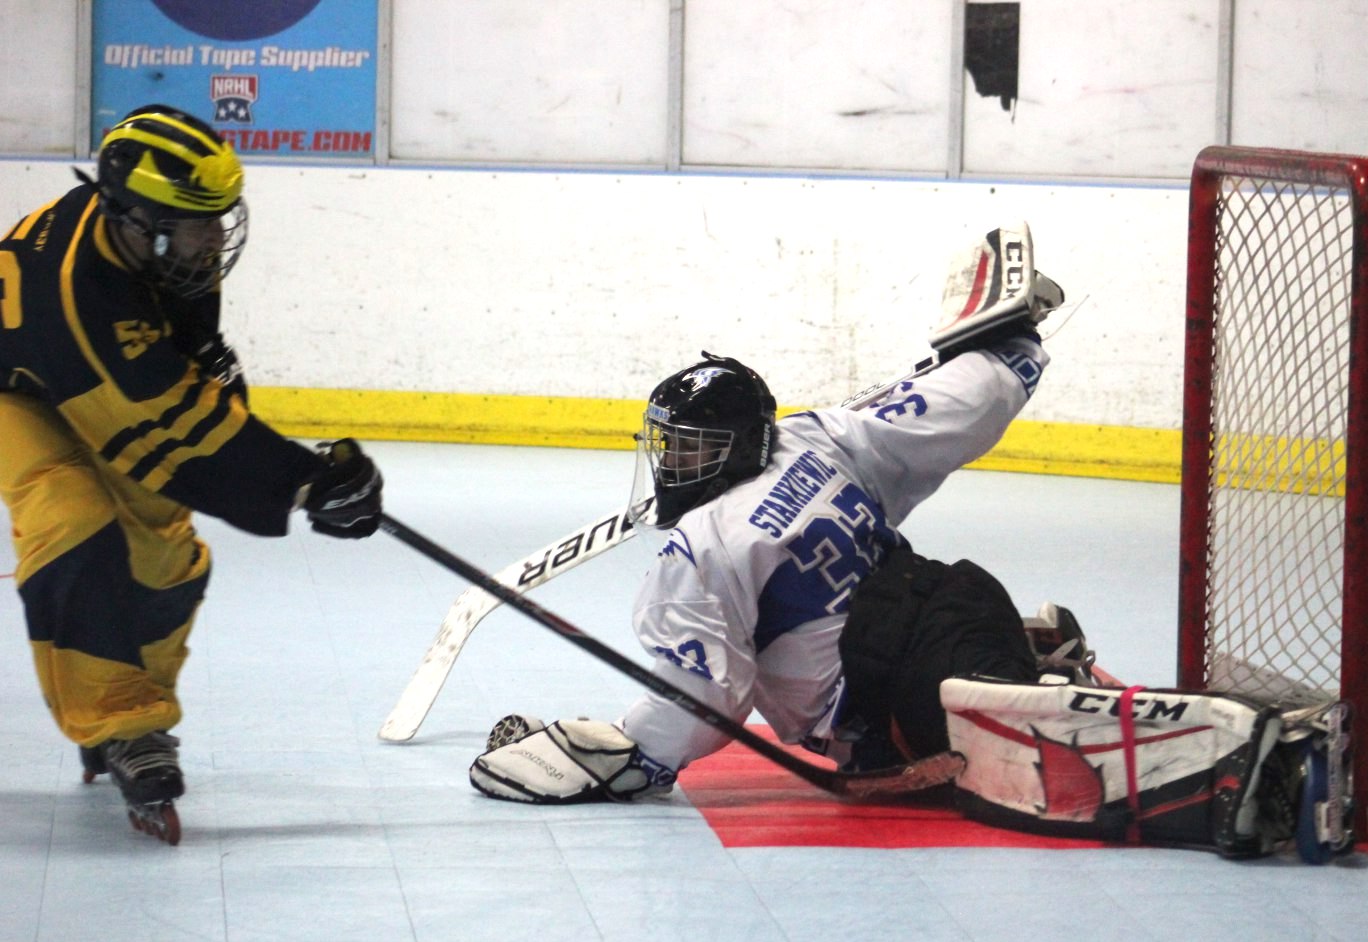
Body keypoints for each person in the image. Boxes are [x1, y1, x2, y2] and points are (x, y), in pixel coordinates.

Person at [469, 222, 1077, 804]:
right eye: (668, 444)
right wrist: (1008, 346)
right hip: (896, 684)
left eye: (692, 446)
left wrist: (626, 756)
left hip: (882, 699)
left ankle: (1024, 691)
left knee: (953, 595)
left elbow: (706, 694)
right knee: (956, 597)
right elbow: (949, 408)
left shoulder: (701, 548)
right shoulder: (811, 440)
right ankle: (1023, 681)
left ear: (736, 445)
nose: (675, 463)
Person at [0, 104, 384, 842]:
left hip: (88, 376)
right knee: (73, 520)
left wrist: (210, 367)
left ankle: (128, 703)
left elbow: (181, 363)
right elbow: (165, 427)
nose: (213, 237)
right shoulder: (80, 300)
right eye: (195, 222)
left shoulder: (158, 237)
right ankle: (124, 724)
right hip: (16, 391)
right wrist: (305, 484)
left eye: (218, 217)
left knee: (163, 543)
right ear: (132, 217)